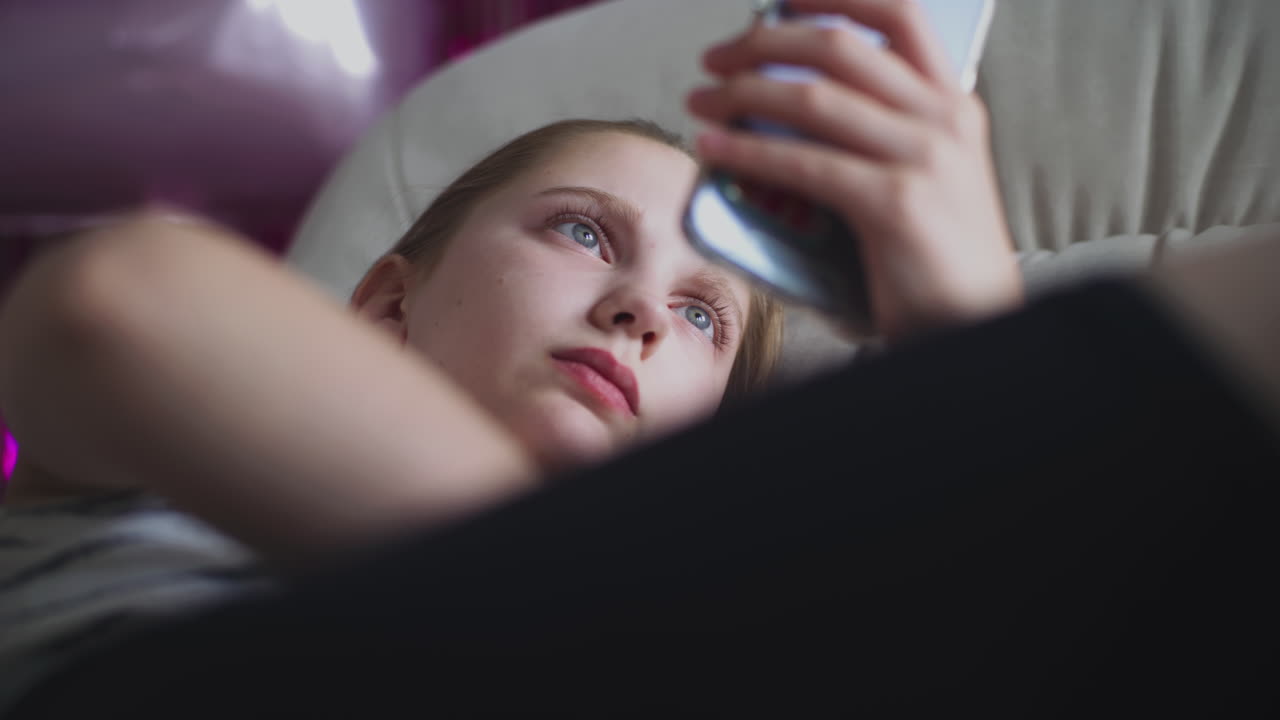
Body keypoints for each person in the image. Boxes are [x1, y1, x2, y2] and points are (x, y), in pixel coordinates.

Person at [1, 0, 1276, 715]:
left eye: (708, 317)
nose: (642, 312)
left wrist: (967, 328)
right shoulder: (153, 494)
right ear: (385, 302)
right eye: (579, 231)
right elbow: (123, 300)